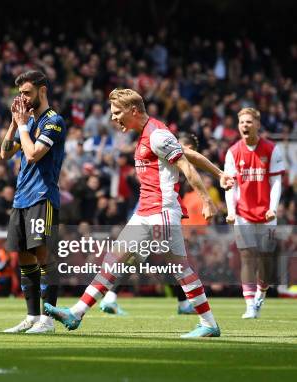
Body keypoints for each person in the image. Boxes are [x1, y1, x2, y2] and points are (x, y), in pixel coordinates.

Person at [45, 88, 221, 338]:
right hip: (146, 211)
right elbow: (189, 154)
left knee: (179, 267)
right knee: (113, 259)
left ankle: (209, 324)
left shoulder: (157, 135)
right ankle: (76, 312)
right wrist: (220, 174)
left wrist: (207, 201)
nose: (114, 118)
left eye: (117, 112)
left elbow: (185, 165)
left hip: (161, 212)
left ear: (134, 110)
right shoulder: (146, 135)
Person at [99, 133, 230, 316]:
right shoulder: (170, 153)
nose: (188, 153)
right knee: (162, 259)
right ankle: (108, 297)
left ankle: (110, 297)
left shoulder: (178, 166)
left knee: (151, 258)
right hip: (152, 212)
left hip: (152, 212)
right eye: (187, 148)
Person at [0, 70, 67, 334]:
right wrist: (14, 124)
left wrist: (24, 125)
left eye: (27, 93)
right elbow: (4, 154)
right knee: (24, 258)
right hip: (21, 198)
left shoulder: (54, 121)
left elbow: (32, 154)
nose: (23, 98)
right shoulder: (26, 121)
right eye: (20, 94)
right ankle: (31, 316)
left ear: (42, 90)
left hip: (42, 197)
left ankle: (47, 320)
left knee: (44, 257)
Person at [225, 108, 285, 319]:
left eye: (249, 122)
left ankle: (262, 291)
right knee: (247, 256)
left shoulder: (271, 149)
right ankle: (250, 304)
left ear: (258, 124)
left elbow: (276, 182)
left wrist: (273, 208)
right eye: (242, 122)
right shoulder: (233, 152)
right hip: (243, 214)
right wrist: (231, 211)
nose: (245, 125)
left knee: (265, 259)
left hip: (266, 214)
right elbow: (230, 185)